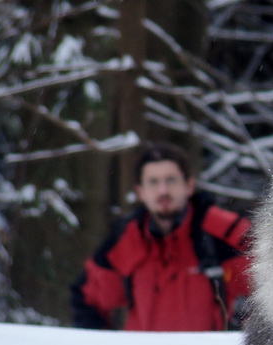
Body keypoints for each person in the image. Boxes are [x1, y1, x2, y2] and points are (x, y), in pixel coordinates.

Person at [71, 142, 251, 331]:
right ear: (140, 191)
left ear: (189, 185)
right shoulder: (126, 238)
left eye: (171, 180)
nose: (163, 190)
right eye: (153, 182)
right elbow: (87, 299)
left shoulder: (221, 230)